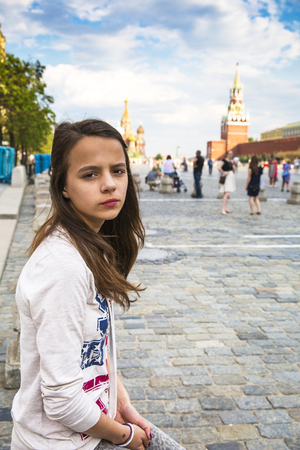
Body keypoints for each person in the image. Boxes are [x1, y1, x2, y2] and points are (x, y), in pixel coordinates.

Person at [11, 119, 186, 450]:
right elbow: (61, 399)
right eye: (90, 174)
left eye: (118, 171)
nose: (109, 184)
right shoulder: (64, 268)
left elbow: (94, 349)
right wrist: (125, 437)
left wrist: (121, 403)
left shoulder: (90, 244)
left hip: (91, 430)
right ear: (63, 185)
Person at [218, 150, 236, 215]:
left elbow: (233, 170)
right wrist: (224, 172)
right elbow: (219, 167)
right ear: (227, 154)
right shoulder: (224, 161)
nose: (231, 155)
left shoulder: (231, 161)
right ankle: (223, 209)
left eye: (232, 154)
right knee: (227, 193)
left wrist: (234, 166)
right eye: (230, 154)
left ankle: (225, 208)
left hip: (230, 177)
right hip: (226, 178)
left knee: (228, 193)